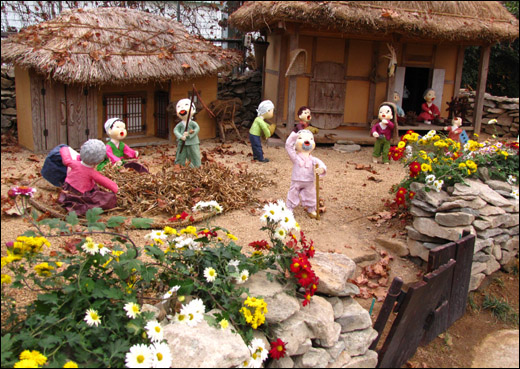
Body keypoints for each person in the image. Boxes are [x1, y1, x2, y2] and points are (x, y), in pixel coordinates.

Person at [58, 139, 118, 216]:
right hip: (81, 194)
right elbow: (104, 181)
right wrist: (115, 187)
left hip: (68, 189)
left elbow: (66, 160)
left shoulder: (75, 163)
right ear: (99, 160)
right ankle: (78, 208)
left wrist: (64, 148)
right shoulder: (91, 172)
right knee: (106, 198)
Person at [285, 129, 326, 219]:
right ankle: (289, 209)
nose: (307, 141)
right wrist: (294, 136)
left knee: (311, 194)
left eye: (311, 139)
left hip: (309, 181)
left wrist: (321, 169)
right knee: (293, 194)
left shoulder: (313, 159)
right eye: (301, 138)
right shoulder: (295, 157)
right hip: (297, 180)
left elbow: (321, 164)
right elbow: (288, 146)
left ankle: (311, 209)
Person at [173, 98, 201, 168]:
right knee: (180, 154)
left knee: (194, 154)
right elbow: (175, 130)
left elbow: (197, 129)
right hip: (182, 142)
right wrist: (181, 136)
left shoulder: (193, 123)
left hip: (193, 142)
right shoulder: (180, 124)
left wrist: (189, 134)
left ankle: (196, 166)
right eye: (179, 107)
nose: (182, 108)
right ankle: (179, 165)